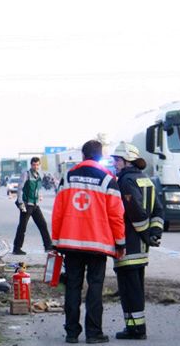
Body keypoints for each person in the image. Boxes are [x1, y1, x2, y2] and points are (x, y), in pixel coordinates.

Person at [51, 140, 125, 344]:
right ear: (100, 156)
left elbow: (57, 212)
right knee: (95, 287)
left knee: (73, 287)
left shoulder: (68, 177)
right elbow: (116, 215)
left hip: (71, 243)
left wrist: (55, 241)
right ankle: (94, 333)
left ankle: (71, 333)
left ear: (83, 156)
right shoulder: (108, 179)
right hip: (98, 245)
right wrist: (120, 243)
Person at [110, 142, 164, 340]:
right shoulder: (145, 179)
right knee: (135, 289)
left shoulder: (125, 181)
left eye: (117, 160)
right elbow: (158, 209)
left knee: (129, 290)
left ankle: (136, 329)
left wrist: (146, 234)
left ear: (127, 161)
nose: (115, 163)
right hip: (141, 249)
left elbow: (136, 213)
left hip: (129, 246)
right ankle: (134, 327)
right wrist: (155, 232)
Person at [12, 157, 53, 255]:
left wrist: (39, 196)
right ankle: (16, 248)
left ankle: (48, 246)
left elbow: (36, 190)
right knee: (22, 227)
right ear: (31, 165)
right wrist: (21, 203)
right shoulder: (26, 174)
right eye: (34, 164)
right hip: (26, 205)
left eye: (37, 164)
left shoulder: (38, 176)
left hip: (35, 205)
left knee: (43, 224)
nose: (36, 166)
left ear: (39, 165)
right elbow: (20, 189)